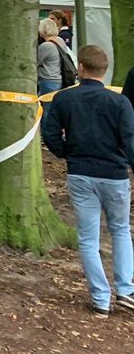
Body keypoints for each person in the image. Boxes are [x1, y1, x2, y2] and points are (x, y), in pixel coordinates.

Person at [41, 45, 134, 317]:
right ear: (104, 72)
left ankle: (100, 297)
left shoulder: (63, 99)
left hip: (80, 172)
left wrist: (66, 153)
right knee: (120, 231)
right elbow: (129, 142)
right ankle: (126, 290)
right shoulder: (120, 103)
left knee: (88, 238)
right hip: (114, 174)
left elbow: (51, 134)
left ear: (81, 68)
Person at [37, 17, 67, 96]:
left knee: (45, 105)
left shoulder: (46, 46)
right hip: (58, 78)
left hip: (47, 80)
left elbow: (35, 62)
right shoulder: (59, 40)